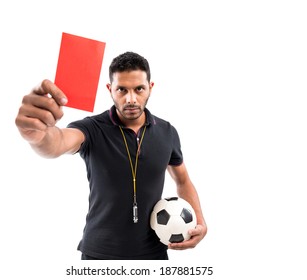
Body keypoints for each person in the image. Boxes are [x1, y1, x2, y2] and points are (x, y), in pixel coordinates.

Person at [15, 51, 207, 260]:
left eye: (139, 89)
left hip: (153, 255)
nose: (131, 99)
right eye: (122, 90)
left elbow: (183, 180)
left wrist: (199, 222)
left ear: (150, 88)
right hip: (99, 256)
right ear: (110, 89)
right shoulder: (91, 128)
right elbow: (57, 142)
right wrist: (38, 136)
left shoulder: (168, 132)